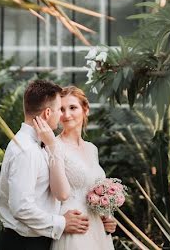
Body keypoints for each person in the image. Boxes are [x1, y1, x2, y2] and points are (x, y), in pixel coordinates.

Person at [0, 80, 90, 250]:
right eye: (59, 109)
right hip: (23, 244)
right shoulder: (27, 151)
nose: (61, 116)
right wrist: (61, 222)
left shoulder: (40, 144)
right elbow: (21, 207)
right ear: (47, 113)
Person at [33, 85, 117, 250]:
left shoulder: (92, 149)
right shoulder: (52, 145)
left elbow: (94, 190)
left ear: (85, 110)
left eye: (73, 107)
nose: (67, 115)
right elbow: (55, 194)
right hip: (74, 228)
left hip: (97, 228)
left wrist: (108, 217)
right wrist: (60, 221)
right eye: (61, 109)